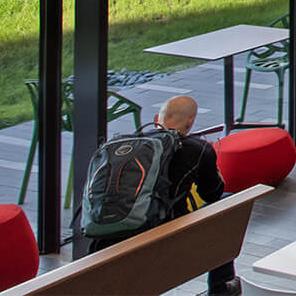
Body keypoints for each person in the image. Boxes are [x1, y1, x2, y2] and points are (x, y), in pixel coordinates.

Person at [86, 95, 240, 294]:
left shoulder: (126, 145)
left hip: (105, 243)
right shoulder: (198, 148)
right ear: (191, 121)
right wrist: (210, 160)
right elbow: (212, 194)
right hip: (165, 243)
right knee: (226, 203)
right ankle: (222, 287)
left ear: (157, 118)